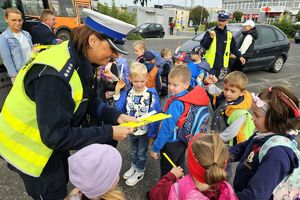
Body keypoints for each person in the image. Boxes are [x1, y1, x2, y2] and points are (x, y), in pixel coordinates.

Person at [0, 8, 137, 199]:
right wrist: (110, 132)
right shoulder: (56, 76)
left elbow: (89, 100)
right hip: (28, 149)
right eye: (113, 49)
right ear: (93, 41)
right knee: (52, 193)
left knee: (62, 180)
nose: (116, 56)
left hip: (49, 141)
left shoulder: (80, 58)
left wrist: (115, 116)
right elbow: (55, 136)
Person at [230, 86, 300, 199]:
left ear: (275, 120)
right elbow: (244, 147)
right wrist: (221, 154)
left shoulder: (277, 154)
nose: (252, 118)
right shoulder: (263, 133)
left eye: (257, 115)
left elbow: (256, 196)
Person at [150, 66, 209, 176]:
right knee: (179, 167)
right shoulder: (191, 96)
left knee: (167, 172)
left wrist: (156, 148)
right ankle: (179, 189)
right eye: (170, 83)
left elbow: (167, 128)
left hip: (171, 142)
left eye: (175, 85)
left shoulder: (176, 103)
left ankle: (165, 192)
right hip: (184, 139)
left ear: (186, 84)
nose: (171, 87)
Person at [115, 62, 162, 186]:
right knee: (133, 150)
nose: (139, 84)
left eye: (142, 81)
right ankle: (134, 166)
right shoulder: (129, 92)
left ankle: (140, 170)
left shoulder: (151, 94)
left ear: (146, 78)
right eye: (136, 81)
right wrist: (117, 92)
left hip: (145, 132)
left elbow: (156, 115)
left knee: (141, 152)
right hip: (131, 130)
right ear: (130, 79)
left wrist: (152, 135)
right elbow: (119, 110)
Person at [149, 134, 236, 200]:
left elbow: (154, 193)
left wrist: (171, 175)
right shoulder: (227, 191)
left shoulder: (175, 189)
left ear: (192, 164)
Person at [208, 71, 255, 146]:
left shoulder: (240, 112)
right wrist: (209, 84)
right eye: (226, 89)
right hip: (216, 137)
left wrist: (215, 139)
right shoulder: (226, 97)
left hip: (226, 144)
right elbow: (216, 91)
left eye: (232, 91)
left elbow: (231, 132)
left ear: (242, 93)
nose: (227, 94)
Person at [200, 10, 245, 78]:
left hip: (219, 66)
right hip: (208, 65)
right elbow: (203, 46)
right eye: (219, 20)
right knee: (206, 84)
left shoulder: (228, 34)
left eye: (223, 21)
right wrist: (210, 38)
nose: (220, 22)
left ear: (227, 21)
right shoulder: (210, 32)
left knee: (212, 85)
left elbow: (234, 47)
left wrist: (240, 56)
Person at [0, 7, 33, 82]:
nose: (17, 23)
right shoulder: (4, 37)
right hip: (19, 75)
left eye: (20, 20)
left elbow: (29, 52)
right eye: (14, 20)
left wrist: (34, 50)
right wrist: (14, 76)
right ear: (6, 19)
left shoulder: (26, 34)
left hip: (32, 70)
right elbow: (7, 59)